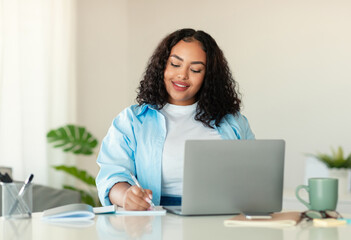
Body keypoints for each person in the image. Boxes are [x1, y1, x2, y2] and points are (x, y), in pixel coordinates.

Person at [96, 28, 255, 211]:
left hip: (221, 220)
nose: (182, 75)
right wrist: (126, 196)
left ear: (208, 77)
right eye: (175, 64)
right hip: (156, 221)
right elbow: (111, 175)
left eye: (195, 69)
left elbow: (253, 177)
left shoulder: (233, 122)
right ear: (162, 66)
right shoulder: (132, 120)